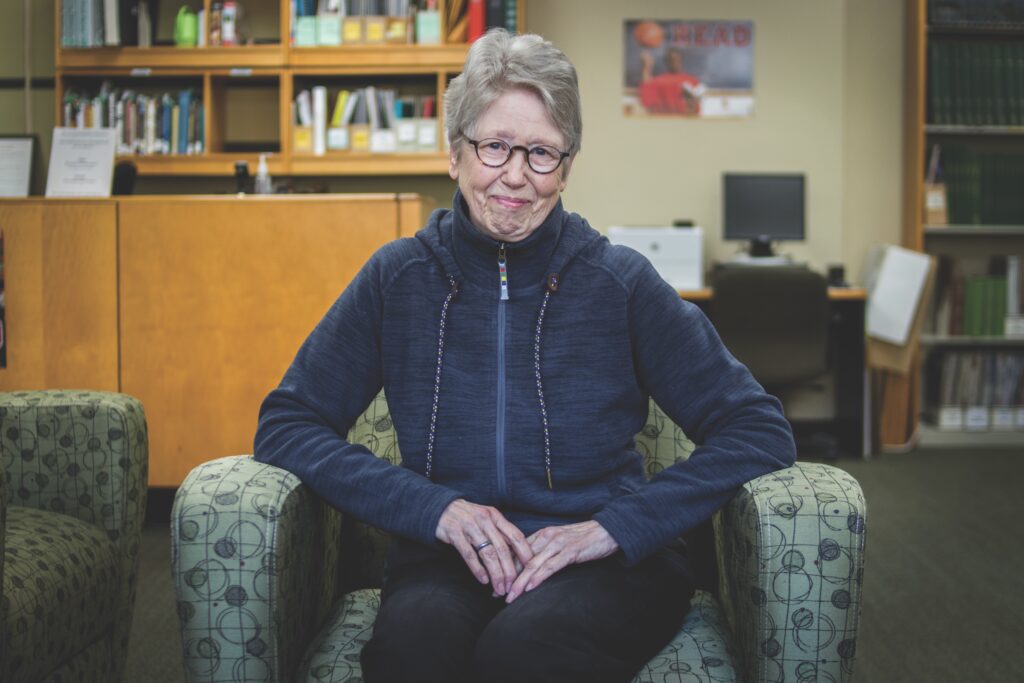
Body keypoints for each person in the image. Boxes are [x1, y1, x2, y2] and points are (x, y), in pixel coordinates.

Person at [254, 28, 795, 683]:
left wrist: (615, 526)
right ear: (455, 153)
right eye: (495, 146)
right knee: (409, 654)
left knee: (522, 654)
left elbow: (757, 428)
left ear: (565, 168)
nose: (515, 175)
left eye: (540, 153)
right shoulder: (397, 278)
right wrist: (433, 509)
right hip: (447, 560)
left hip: (607, 567)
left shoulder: (621, 282)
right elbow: (287, 424)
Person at [638, 47, 706, 115]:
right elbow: (646, 98)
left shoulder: (691, 81)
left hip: (685, 119)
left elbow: (696, 109)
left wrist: (691, 104)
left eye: (677, 59)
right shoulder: (659, 81)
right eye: (672, 60)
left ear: (681, 60)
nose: (675, 62)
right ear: (666, 61)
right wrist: (646, 68)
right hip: (664, 119)